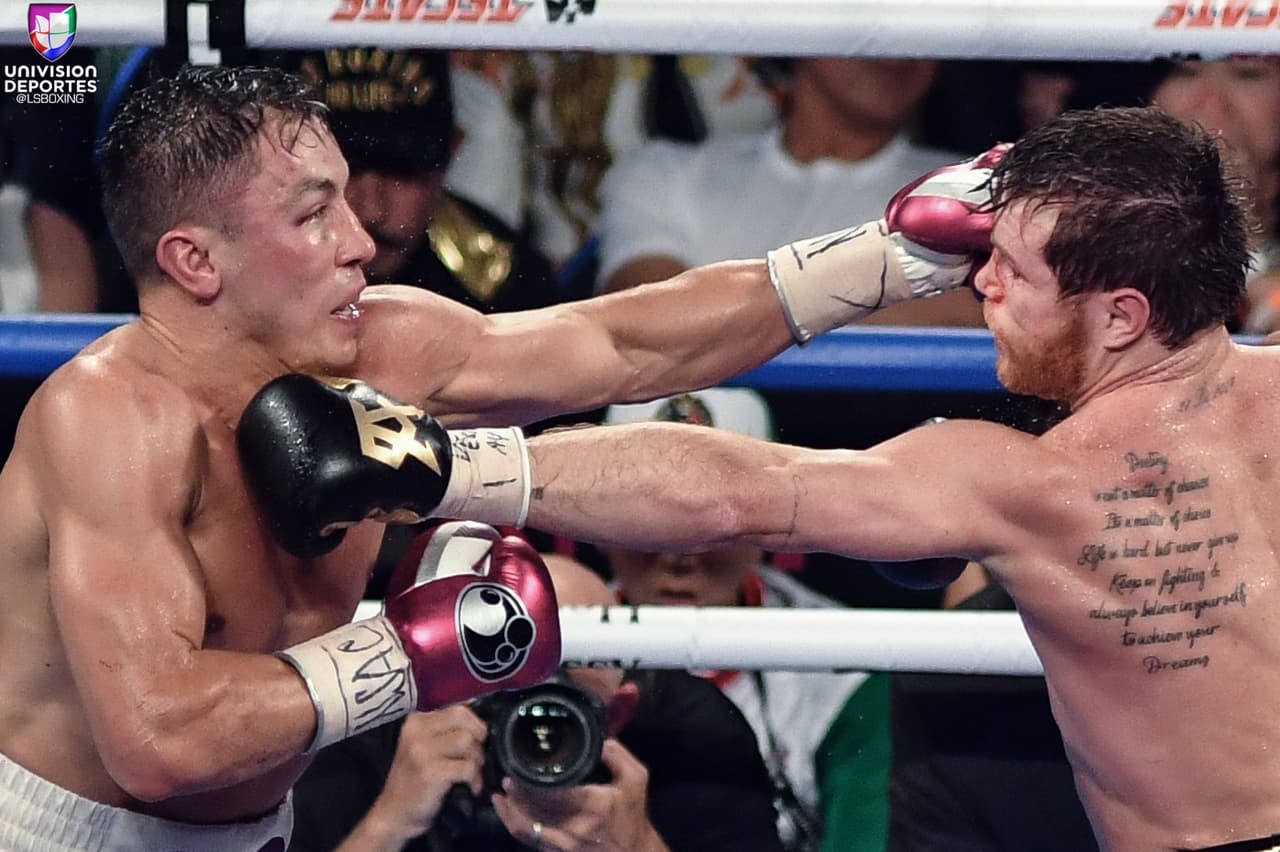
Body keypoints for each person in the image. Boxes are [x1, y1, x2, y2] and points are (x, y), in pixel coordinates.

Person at [0, 61, 987, 848]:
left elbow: (623, 344)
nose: (363, 236)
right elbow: (158, 742)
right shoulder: (111, 421)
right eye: (311, 215)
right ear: (194, 260)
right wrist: (417, 648)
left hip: (264, 828)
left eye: (345, 199)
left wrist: (886, 259)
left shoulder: (379, 347)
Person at [262, 105, 1280, 851]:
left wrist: (444, 464)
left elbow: (735, 493)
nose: (977, 281)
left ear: (1120, 317)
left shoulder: (1022, 483)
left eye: (1016, 268)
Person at [289, 550, 785, 852]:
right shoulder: (381, 727)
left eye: (563, 689)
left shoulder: (690, 737)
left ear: (619, 710)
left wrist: (638, 847)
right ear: (447, 683)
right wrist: (390, 822)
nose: (532, 721)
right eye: (501, 685)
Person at [602, 388, 891, 852]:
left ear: (772, 524)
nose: (678, 552)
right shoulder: (526, 650)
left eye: (714, 518)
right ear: (590, 521)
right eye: (644, 512)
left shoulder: (843, 674)